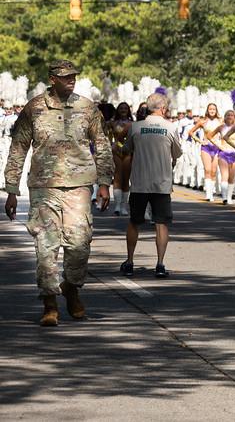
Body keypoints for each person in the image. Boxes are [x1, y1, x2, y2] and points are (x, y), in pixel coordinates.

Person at [3, 60, 114, 326]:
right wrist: (11, 188)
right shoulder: (35, 108)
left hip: (79, 185)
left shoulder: (87, 107)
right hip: (43, 186)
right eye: (65, 77)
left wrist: (104, 182)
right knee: (45, 246)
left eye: (74, 76)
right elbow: (18, 147)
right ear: (52, 79)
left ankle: (71, 287)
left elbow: (102, 145)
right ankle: (49, 302)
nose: (71, 80)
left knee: (79, 243)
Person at [120, 92, 181, 278]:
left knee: (134, 222)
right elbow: (177, 154)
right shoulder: (170, 128)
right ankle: (160, 264)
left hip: (139, 182)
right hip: (161, 183)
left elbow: (126, 150)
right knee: (161, 223)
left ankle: (130, 261)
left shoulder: (136, 127)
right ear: (162, 108)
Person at [188, 103, 223, 202]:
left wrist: (222, 144)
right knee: (207, 169)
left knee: (213, 171)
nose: (212, 111)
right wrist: (200, 141)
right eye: (210, 109)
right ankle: (208, 194)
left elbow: (225, 133)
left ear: (216, 111)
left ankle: (212, 191)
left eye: (214, 109)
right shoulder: (202, 121)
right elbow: (190, 132)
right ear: (207, 110)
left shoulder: (220, 121)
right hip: (206, 147)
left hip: (216, 147)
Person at [108, 102, 134, 216]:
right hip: (116, 151)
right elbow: (106, 135)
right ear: (117, 110)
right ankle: (117, 205)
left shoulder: (133, 124)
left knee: (126, 177)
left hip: (128, 152)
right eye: (121, 108)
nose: (123, 110)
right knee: (118, 175)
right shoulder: (112, 123)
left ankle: (124, 205)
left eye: (125, 108)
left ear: (128, 110)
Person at [214, 109, 235, 204]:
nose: (230, 117)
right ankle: (224, 197)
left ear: (234, 117)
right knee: (225, 175)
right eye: (228, 115)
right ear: (225, 117)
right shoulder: (221, 127)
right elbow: (210, 136)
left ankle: (229, 197)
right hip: (223, 153)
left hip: (234, 153)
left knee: (231, 177)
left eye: (232, 115)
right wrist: (219, 145)